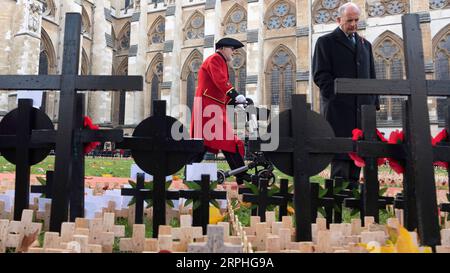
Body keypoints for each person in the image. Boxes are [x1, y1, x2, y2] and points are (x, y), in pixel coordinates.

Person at [312, 2, 379, 189]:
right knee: (341, 157)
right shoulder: (325, 42)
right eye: (350, 20)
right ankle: (338, 199)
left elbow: (372, 76)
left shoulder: (366, 45)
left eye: (357, 20)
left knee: (358, 155)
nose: (354, 24)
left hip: (362, 111)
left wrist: (374, 105)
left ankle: (353, 195)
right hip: (339, 110)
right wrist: (334, 98)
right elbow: (321, 75)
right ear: (338, 19)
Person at [190, 37, 251, 184]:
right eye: (232, 49)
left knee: (203, 143)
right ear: (222, 48)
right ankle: (242, 176)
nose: (234, 52)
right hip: (208, 107)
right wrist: (235, 96)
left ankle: (189, 173)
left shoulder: (220, 61)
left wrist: (234, 102)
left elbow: (217, 89)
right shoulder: (216, 59)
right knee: (228, 141)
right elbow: (220, 81)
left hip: (211, 107)